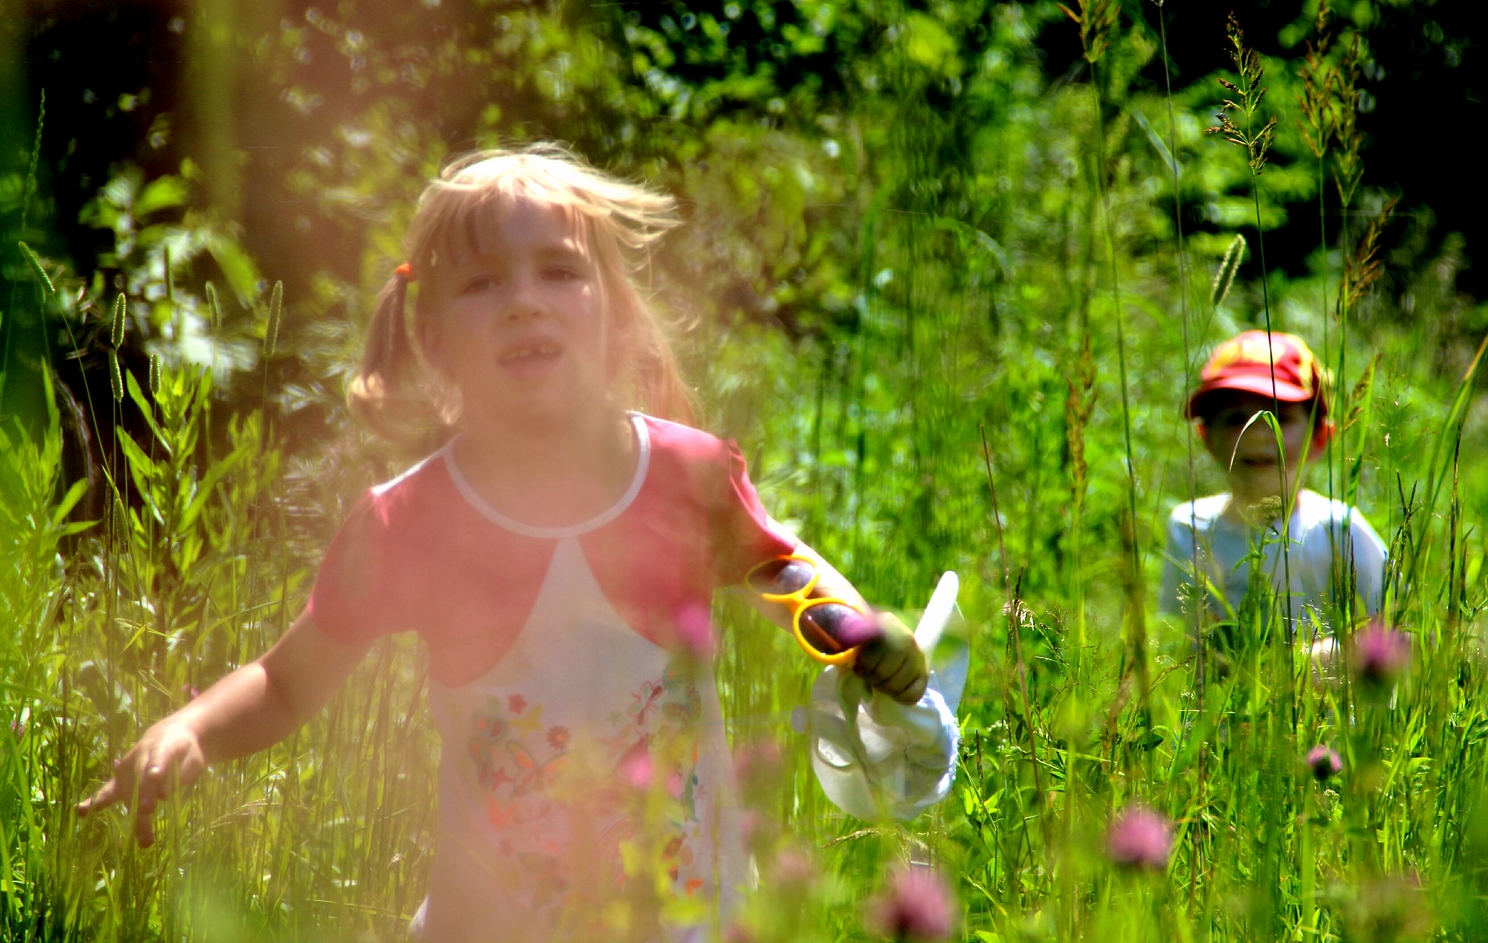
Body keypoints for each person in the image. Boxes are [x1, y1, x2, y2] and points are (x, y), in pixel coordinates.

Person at [77, 146, 928, 942]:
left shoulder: (683, 474)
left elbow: (779, 569)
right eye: (481, 282)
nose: (524, 298)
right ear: (434, 337)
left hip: (683, 915)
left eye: (560, 271)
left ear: (616, 318)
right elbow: (287, 684)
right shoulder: (409, 523)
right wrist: (189, 728)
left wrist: (861, 634)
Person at [1159, 330, 1387, 637]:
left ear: (1320, 437)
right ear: (1206, 437)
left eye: (1279, 416)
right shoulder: (1190, 529)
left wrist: (1319, 664)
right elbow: (1176, 642)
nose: (1256, 433)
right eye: (1236, 418)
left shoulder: (1339, 531)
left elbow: (1400, 638)